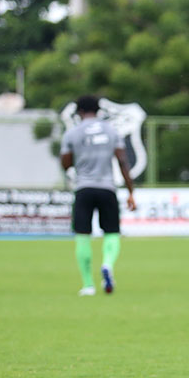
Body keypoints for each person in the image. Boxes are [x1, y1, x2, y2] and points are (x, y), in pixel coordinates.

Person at [60, 95, 136, 296]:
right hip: (107, 188)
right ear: (98, 111)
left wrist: (80, 157)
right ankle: (107, 264)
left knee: (82, 235)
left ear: (79, 112)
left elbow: (65, 163)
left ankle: (88, 285)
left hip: (84, 188)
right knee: (112, 232)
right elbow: (122, 161)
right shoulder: (111, 131)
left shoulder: (72, 133)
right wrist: (130, 192)